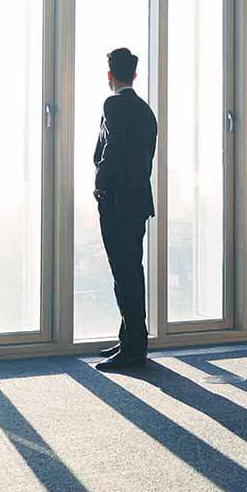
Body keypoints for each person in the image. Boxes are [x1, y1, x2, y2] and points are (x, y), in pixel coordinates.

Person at [93, 47, 157, 371]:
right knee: (133, 271)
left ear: (110, 76)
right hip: (138, 203)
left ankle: (133, 349)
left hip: (116, 203)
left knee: (124, 274)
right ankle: (132, 340)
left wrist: (100, 184)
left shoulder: (113, 104)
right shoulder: (147, 112)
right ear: (133, 74)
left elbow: (111, 150)